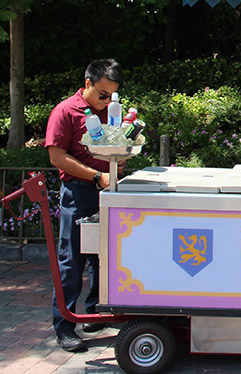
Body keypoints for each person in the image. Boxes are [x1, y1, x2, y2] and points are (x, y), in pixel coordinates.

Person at [45, 58, 124, 352]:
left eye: (112, 96)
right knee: (73, 260)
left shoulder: (110, 113)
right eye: (102, 95)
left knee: (103, 255)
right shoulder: (65, 111)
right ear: (87, 83)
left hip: (108, 189)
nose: (107, 101)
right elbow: (56, 156)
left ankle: (95, 313)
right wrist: (95, 176)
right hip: (79, 192)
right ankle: (65, 325)